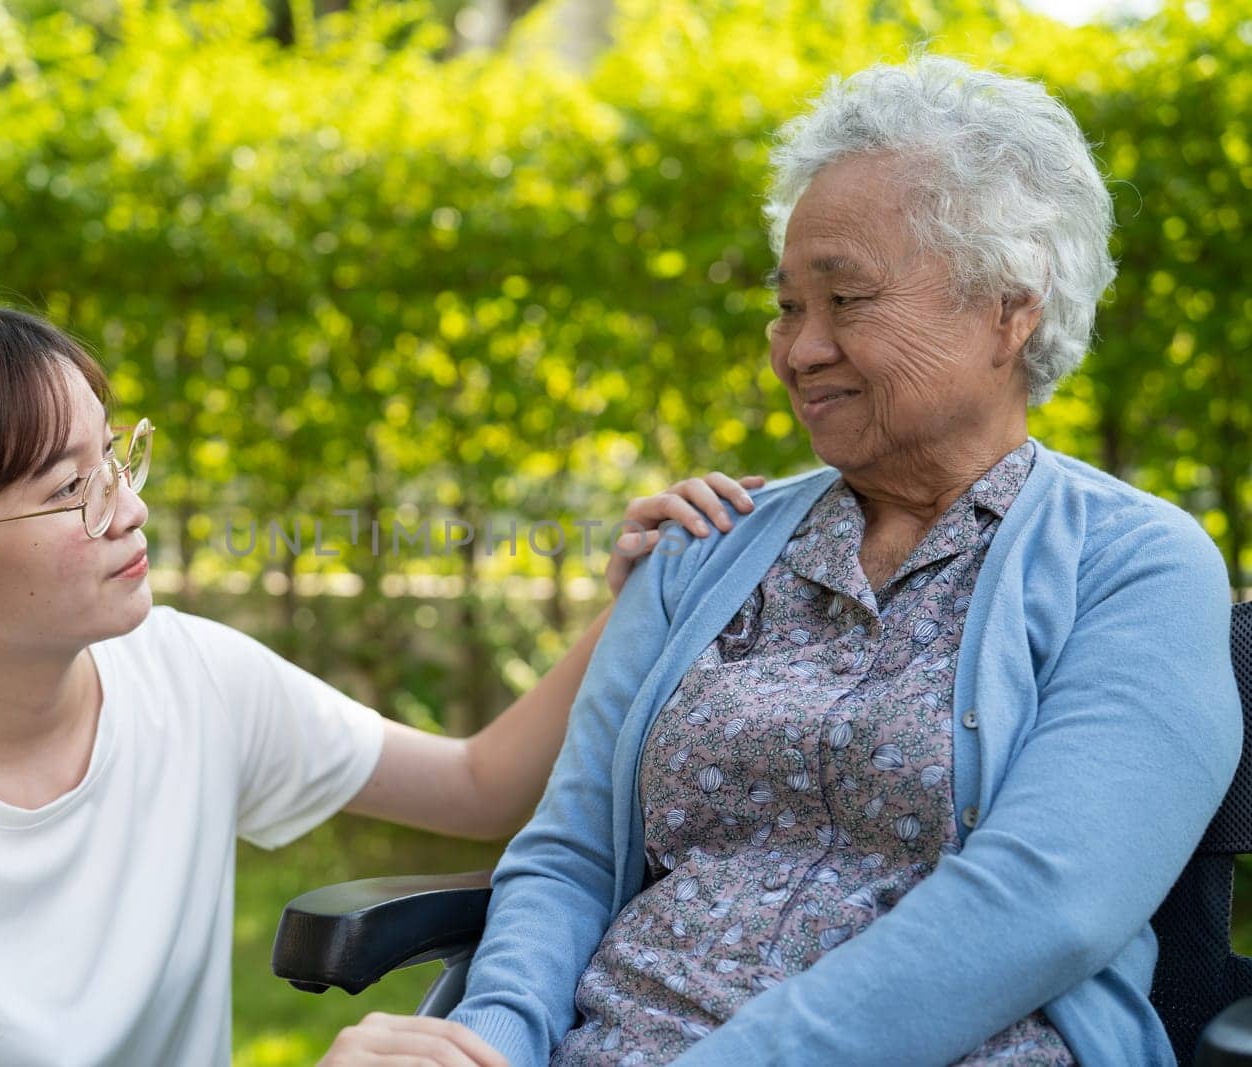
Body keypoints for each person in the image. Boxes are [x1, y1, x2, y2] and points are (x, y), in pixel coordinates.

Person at [325, 55, 1243, 1066]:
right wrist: (488, 1035)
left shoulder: (1133, 564)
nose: (798, 349)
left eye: (845, 298)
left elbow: (1046, 899)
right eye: (786, 305)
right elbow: (572, 853)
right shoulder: (702, 547)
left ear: (1007, 310)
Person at [0, 302, 765, 1066]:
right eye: (68, 489)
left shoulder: (182, 673)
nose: (123, 506)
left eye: (113, 457)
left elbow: (480, 784)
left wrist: (636, 600)